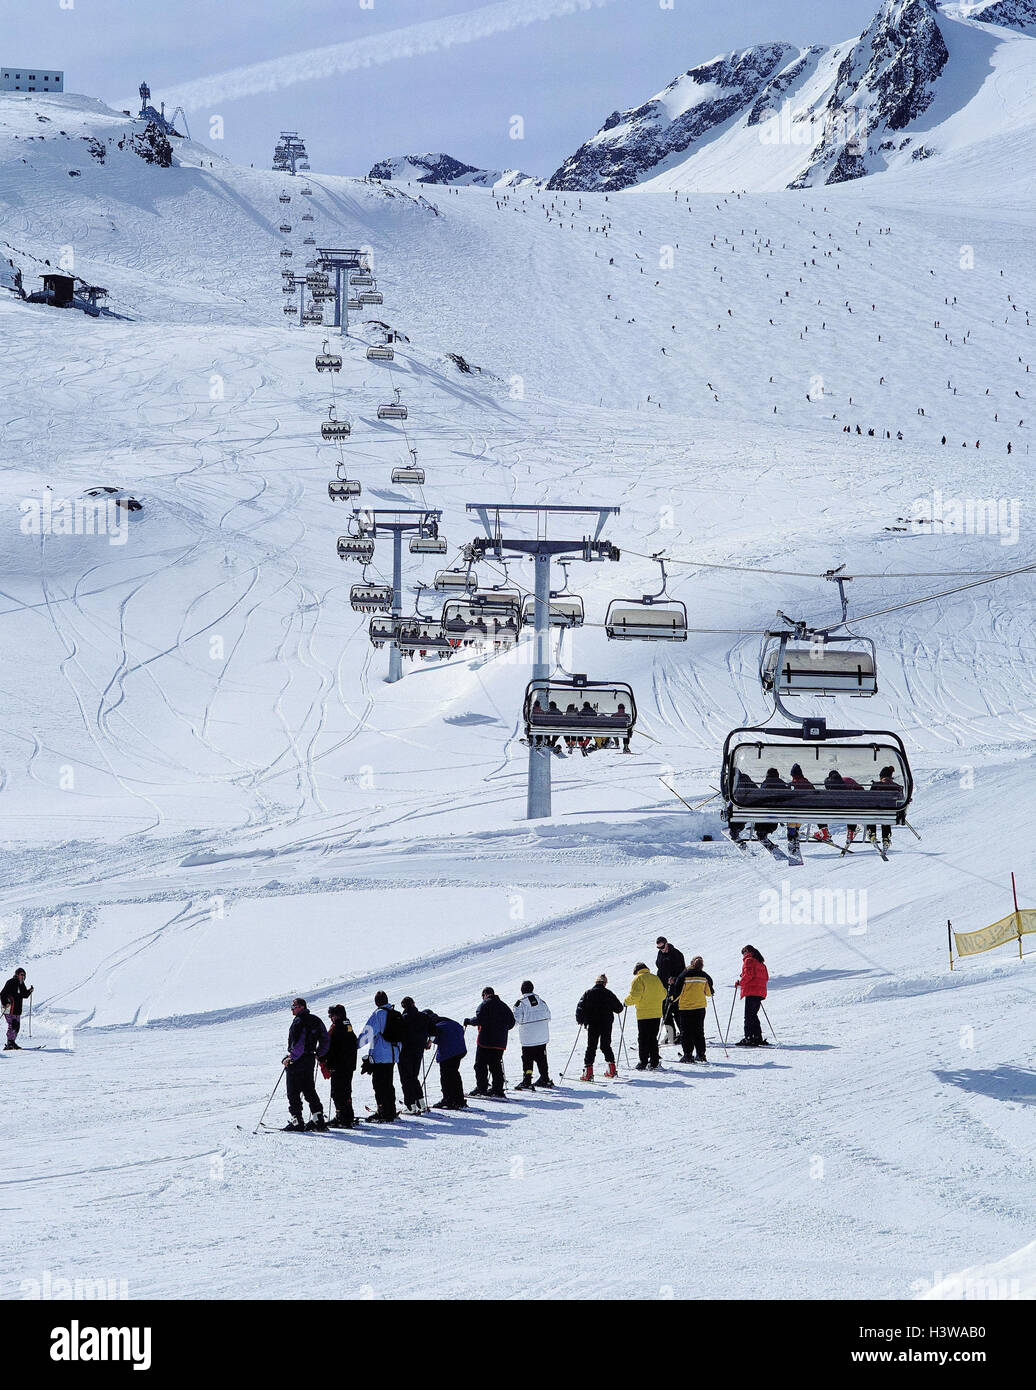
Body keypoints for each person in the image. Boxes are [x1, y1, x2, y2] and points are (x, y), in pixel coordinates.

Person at [281, 997, 330, 1132]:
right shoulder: (316, 1020)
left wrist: (291, 1058)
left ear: (302, 1007)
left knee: (293, 1091)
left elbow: (299, 1043)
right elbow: (325, 1039)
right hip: (309, 1059)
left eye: (294, 1007)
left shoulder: (299, 1021)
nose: (292, 1009)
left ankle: (297, 1121)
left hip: (298, 1060)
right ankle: (318, 1118)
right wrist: (318, 1053)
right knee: (309, 1089)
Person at [358, 991, 402, 1122]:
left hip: (381, 1055)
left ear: (376, 1002)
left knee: (379, 1084)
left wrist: (355, 1045)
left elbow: (368, 1033)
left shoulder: (378, 1014)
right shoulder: (396, 1014)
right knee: (388, 1083)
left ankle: (383, 1111)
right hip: (394, 1054)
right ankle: (390, 1110)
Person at [464, 987, 515, 1097]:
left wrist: (469, 1021)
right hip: (500, 1042)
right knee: (495, 1065)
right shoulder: (504, 1006)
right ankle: (498, 1090)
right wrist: (501, 1029)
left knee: (480, 1065)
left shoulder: (485, 1004)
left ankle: (481, 1088)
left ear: (485, 994)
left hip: (485, 1041)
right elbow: (511, 1022)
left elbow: (479, 1019)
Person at [576, 974, 623, 1080]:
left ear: (596, 982)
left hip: (593, 1023)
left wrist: (580, 1020)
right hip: (606, 1023)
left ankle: (588, 1072)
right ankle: (612, 1069)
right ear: (605, 983)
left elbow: (580, 1007)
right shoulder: (608, 993)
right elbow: (619, 1008)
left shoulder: (588, 993)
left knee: (591, 1046)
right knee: (606, 1045)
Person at [321, 1005, 358, 1128]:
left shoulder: (337, 1028)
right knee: (346, 1090)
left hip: (338, 1065)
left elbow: (330, 1046)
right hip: (348, 1065)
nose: (330, 1018)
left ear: (337, 1015)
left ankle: (341, 1117)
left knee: (337, 1092)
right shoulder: (348, 1026)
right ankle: (348, 1115)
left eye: (331, 1015)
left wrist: (323, 1058)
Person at [624, 963, 666, 1069]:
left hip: (644, 1014)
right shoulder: (655, 978)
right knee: (653, 1038)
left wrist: (626, 1002)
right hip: (656, 1013)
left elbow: (635, 996)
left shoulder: (638, 979)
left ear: (637, 971)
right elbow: (664, 994)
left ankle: (643, 1062)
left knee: (643, 1039)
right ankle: (654, 1061)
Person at [672, 956, 714, 1062]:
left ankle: (688, 1055)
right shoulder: (704, 976)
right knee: (699, 1031)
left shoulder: (684, 975)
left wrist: (671, 999)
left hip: (686, 1008)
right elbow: (709, 993)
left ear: (691, 963)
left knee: (686, 1032)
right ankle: (701, 1054)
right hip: (700, 1008)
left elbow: (677, 992)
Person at [397, 996, 436, 1113]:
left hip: (405, 1051)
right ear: (414, 1003)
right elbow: (434, 1030)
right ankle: (421, 1104)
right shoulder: (424, 1016)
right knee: (414, 1076)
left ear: (403, 1006)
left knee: (406, 1078)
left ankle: (411, 1106)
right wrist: (429, 1042)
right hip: (418, 1050)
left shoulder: (403, 1018)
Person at [513, 981, 553, 1089]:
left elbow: (516, 1020)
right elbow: (548, 1016)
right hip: (542, 1036)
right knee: (542, 1058)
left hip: (528, 1038)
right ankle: (545, 1077)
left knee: (527, 1059)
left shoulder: (520, 1004)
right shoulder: (541, 1001)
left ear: (522, 990)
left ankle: (527, 1079)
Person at [428, 1012, 468, 1108]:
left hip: (448, 1054)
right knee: (454, 1075)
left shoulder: (436, 1026)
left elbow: (435, 1038)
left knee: (446, 1076)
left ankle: (448, 1099)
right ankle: (459, 1099)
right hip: (460, 1051)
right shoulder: (450, 1022)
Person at [735, 947, 769, 1047]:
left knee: (748, 1016)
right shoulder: (761, 964)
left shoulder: (749, 960)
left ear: (748, 952)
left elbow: (749, 975)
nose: (743, 955)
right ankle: (757, 1037)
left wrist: (740, 982)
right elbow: (766, 978)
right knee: (753, 1015)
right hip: (760, 992)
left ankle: (749, 1037)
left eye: (743, 953)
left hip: (751, 991)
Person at [655, 937, 686, 1044]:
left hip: (675, 987)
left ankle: (683, 1034)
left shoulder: (676, 954)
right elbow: (660, 968)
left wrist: (675, 978)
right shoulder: (660, 954)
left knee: (676, 1010)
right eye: (658, 948)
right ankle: (671, 1034)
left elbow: (683, 971)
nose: (661, 949)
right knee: (665, 1011)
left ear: (666, 944)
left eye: (662, 947)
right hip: (663, 987)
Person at [1, 968, 32, 1050]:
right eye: (21, 974)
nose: (23, 976)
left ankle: (12, 1042)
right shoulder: (11, 982)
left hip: (17, 1009)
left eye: (24, 975)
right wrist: (5, 1003)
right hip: (9, 1007)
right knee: (13, 1025)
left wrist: (30, 991)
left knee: (17, 1026)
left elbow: (24, 995)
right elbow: (2, 994)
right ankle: (10, 1043)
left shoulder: (21, 984)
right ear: (17, 974)